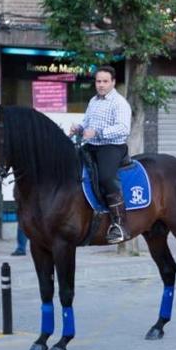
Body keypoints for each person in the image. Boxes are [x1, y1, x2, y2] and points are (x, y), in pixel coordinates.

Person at [71, 66, 132, 243]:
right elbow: (87, 123)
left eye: (105, 81)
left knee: (106, 178)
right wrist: (80, 128)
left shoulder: (119, 103)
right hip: (91, 145)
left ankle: (120, 224)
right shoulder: (93, 101)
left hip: (112, 147)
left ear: (113, 82)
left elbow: (123, 128)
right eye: (98, 81)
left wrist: (98, 132)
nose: (101, 85)